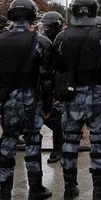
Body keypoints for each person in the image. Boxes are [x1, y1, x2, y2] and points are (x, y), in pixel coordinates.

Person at [53, 0, 101, 200]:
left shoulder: (62, 37)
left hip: (72, 93)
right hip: (97, 92)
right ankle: (99, 188)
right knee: (98, 142)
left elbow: (58, 67)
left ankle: (69, 187)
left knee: (70, 140)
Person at [0, 0, 54, 200]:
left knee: (7, 139)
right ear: (32, 17)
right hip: (31, 98)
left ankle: (4, 190)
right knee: (33, 140)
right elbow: (46, 78)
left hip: (7, 99)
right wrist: (48, 105)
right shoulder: (41, 43)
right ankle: (35, 189)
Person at [39, 11, 65, 164]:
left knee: (55, 118)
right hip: (44, 83)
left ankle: (58, 148)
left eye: (48, 26)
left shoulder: (61, 40)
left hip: (56, 84)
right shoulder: (41, 41)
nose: (45, 29)